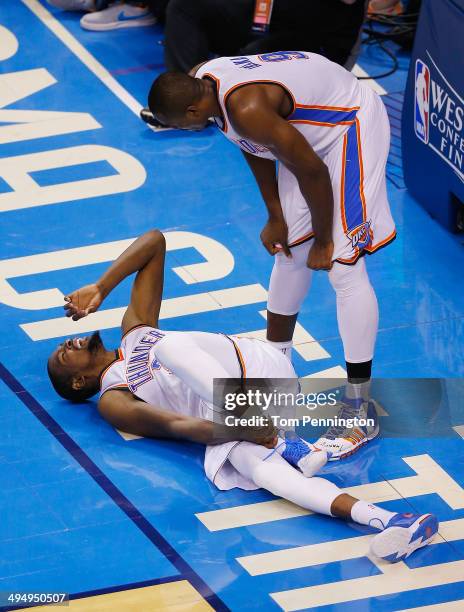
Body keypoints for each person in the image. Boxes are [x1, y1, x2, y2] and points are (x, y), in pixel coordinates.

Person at [46, 229, 437, 564]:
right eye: (63, 355)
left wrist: (102, 286)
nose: (67, 342)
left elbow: (154, 241)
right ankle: (388, 520)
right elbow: (178, 425)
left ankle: (280, 440)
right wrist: (246, 431)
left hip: (260, 373)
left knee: (168, 348)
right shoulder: (115, 399)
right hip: (248, 417)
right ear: (79, 383)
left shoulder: (135, 329)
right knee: (255, 467)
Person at [147, 52, 396, 460]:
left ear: (192, 109)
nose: (179, 130)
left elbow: (313, 170)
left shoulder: (246, 108)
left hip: (349, 124)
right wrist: (276, 216)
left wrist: (323, 241)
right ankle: (279, 379)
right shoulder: (204, 82)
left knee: (343, 268)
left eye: (176, 124)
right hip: (302, 130)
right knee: (287, 252)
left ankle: (360, 411)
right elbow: (253, 145)